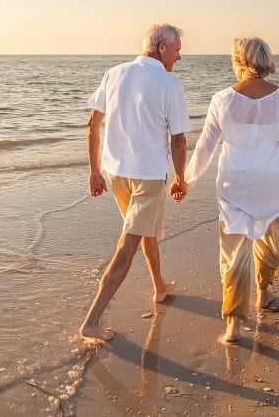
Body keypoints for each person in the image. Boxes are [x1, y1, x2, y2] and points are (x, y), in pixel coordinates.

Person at [184, 36, 279, 342]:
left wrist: (185, 181)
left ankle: (234, 325)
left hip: (234, 185)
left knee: (234, 254)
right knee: (268, 241)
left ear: (239, 61)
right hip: (273, 185)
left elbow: (204, 150)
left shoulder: (222, 100)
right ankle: (263, 294)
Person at [79, 23, 191, 341]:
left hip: (116, 174)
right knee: (128, 243)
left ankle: (159, 286)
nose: (180, 56)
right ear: (162, 48)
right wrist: (182, 177)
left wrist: (95, 171)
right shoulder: (169, 84)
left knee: (145, 231)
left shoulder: (114, 73)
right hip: (148, 177)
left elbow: (92, 126)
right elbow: (179, 140)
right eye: (178, 49)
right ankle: (92, 321)